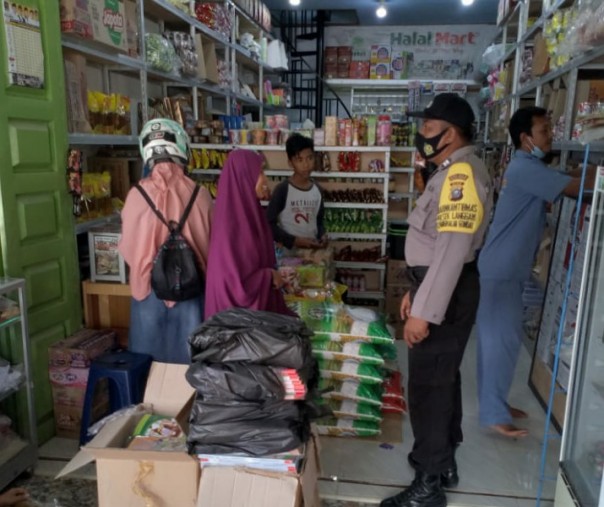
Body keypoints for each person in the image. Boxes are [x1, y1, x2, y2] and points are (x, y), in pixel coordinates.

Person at [381, 93, 493, 507]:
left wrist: (425, 312)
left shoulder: (461, 175)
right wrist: (415, 289)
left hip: (446, 289)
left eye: (429, 129)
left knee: (429, 386)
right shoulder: (451, 170)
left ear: (453, 132)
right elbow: (435, 246)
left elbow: (451, 250)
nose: (422, 136)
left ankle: (429, 484)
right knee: (444, 378)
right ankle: (442, 461)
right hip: (439, 284)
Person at [476, 106, 594, 438]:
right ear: (527, 139)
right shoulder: (524, 168)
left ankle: (494, 404)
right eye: (544, 130)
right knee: (502, 341)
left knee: (496, 341)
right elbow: (574, 188)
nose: (550, 135)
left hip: (505, 268)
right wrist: (594, 174)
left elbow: (571, 179)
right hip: (501, 269)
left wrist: (586, 170)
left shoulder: (528, 166)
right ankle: (495, 414)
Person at [118, 118, 212, 364]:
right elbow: (209, 248)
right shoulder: (201, 195)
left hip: (148, 294)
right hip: (190, 291)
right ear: (182, 148)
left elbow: (127, 250)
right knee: (190, 368)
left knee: (147, 368)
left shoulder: (135, 196)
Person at [204, 149, 292, 318]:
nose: (265, 179)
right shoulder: (230, 227)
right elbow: (234, 286)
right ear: (244, 177)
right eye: (260, 173)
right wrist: (269, 276)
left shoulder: (249, 214)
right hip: (235, 325)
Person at [267, 133, 326, 251]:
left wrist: (322, 235)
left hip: (312, 252)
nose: (306, 164)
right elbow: (268, 224)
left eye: (310, 158)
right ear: (290, 162)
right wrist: (294, 241)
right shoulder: (283, 190)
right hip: (288, 255)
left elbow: (318, 221)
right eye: (299, 160)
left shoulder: (317, 190)